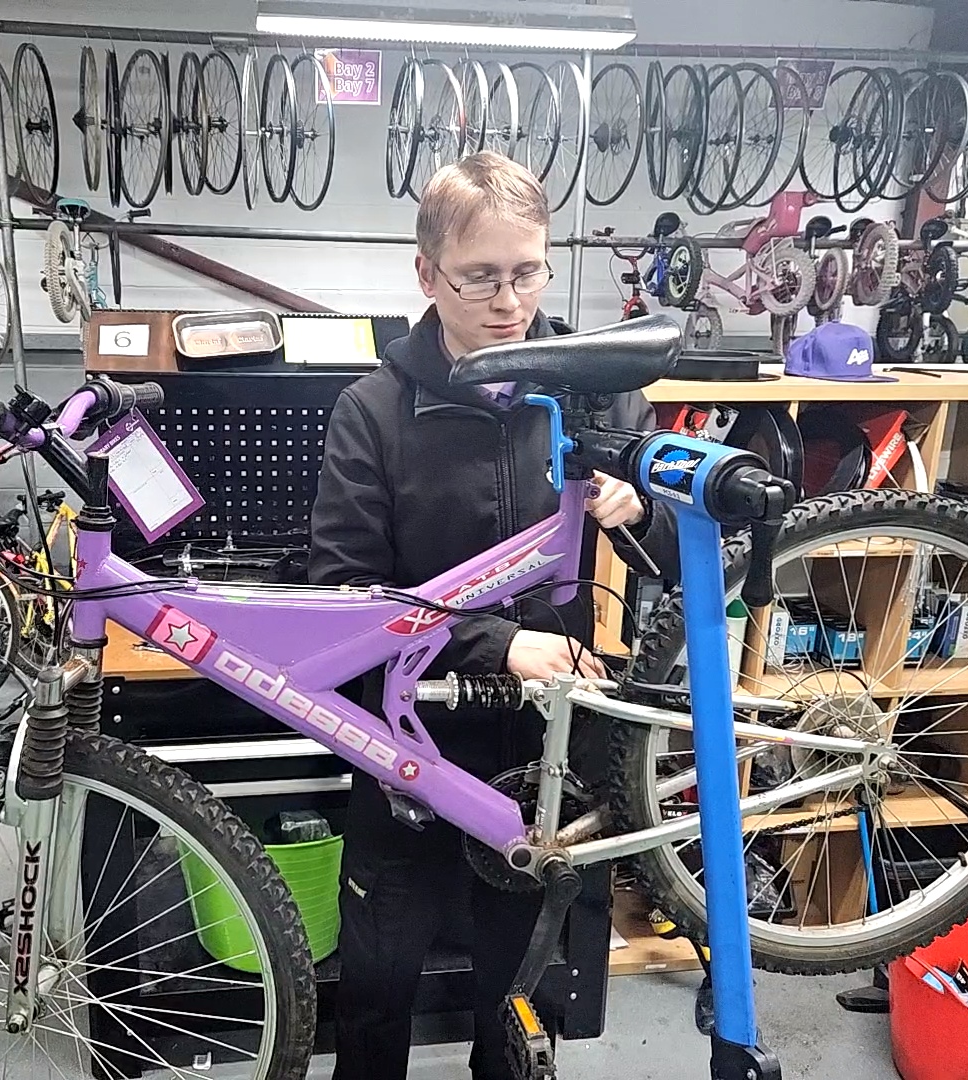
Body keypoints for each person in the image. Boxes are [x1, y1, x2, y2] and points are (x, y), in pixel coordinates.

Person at [308, 151, 679, 1080]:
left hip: (543, 747)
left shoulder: (599, 389)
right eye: (480, 276)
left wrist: (646, 508)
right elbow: (346, 589)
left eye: (529, 271)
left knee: (515, 984)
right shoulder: (373, 411)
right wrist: (498, 642)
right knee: (380, 981)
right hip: (408, 737)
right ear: (427, 274)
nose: (510, 300)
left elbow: (685, 550)